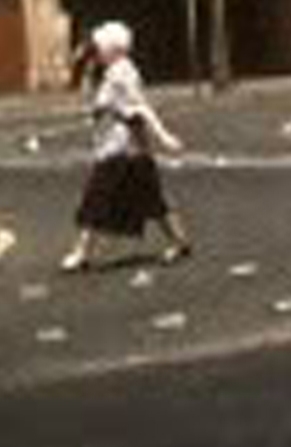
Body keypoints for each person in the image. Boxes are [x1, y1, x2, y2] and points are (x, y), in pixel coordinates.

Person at [60, 20, 193, 272]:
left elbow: (140, 109)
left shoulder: (123, 74)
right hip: (127, 149)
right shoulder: (112, 72)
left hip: (120, 149)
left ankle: (81, 253)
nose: (96, 50)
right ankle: (179, 241)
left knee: (95, 197)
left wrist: (164, 137)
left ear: (113, 49)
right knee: (152, 198)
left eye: (99, 47)